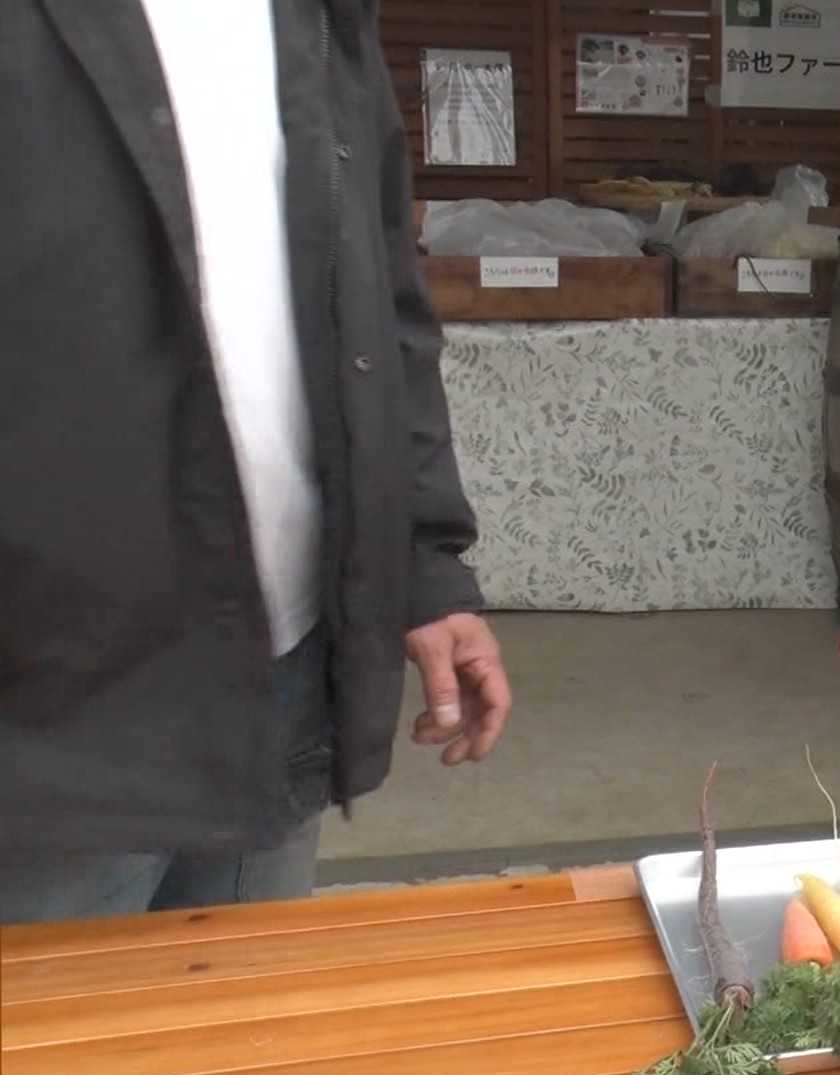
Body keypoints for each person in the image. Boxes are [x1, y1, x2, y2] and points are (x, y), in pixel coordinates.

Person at [0, 0, 511, 924]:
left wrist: (426, 567)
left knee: (249, 1005)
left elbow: (384, 305)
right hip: (57, 709)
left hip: (285, 669)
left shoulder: (314, 16)